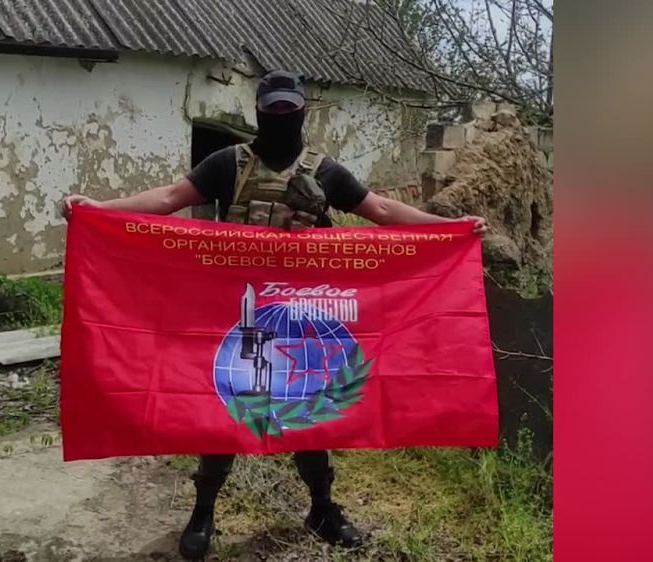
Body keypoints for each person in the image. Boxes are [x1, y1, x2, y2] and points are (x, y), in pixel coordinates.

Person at [63, 70, 487, 560]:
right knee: (222, 407)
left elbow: (384, 212)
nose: (282, 116)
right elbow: (168, 199)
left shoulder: (325, 172)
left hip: (300, 313)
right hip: (235, 312)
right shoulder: (228, 163)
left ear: (301, 110)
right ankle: (203, 512)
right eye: (274, 109)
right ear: (260, 111)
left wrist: (450, 227)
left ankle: (321, 508)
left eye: (290, 108)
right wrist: (100, 209)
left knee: (307, 407)